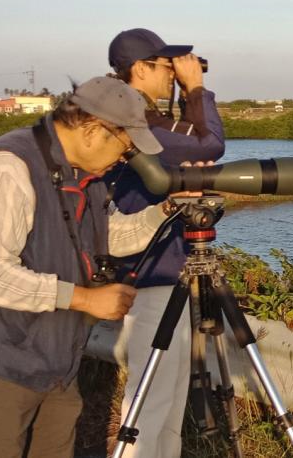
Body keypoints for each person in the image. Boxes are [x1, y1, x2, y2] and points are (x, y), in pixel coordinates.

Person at [0, 76, 171, 457]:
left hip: (55, 367)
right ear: (93, 130)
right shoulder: (8, 167)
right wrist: (84, 300)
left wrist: (165, 212)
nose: (124, 159)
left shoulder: (85, 175)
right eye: (126, 147)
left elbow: (107, 236)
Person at [106, 28, 225, 458]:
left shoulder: (145, 118)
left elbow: (193, 142)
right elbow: (209, 144)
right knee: (151, 403)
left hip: (163, 272)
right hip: (147, 274)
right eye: (165, 66)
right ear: (139, 69)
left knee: (171, 402)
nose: (172, 74)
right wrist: (196, 88)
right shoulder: (131, 120)